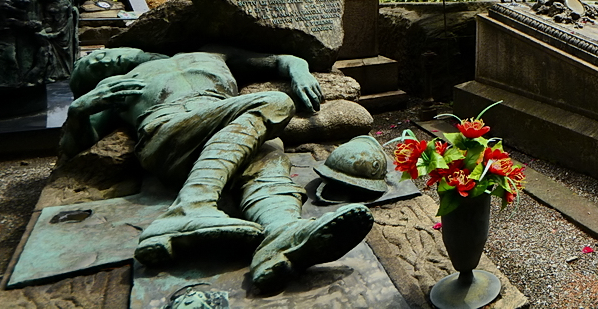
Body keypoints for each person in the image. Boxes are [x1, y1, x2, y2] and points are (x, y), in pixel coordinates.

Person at [60, 46, 372, 292]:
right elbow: (72, 148)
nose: (101, 60)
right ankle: (191, 207)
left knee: (269, 155)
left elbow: (281, 60)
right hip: (170, 133)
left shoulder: (209, 52)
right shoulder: (116, 87)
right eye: (92, 66)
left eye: (99, 55)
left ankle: (281, 235)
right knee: (275, 103)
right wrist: (80, 109)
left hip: (230, 128)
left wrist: (300, 72)